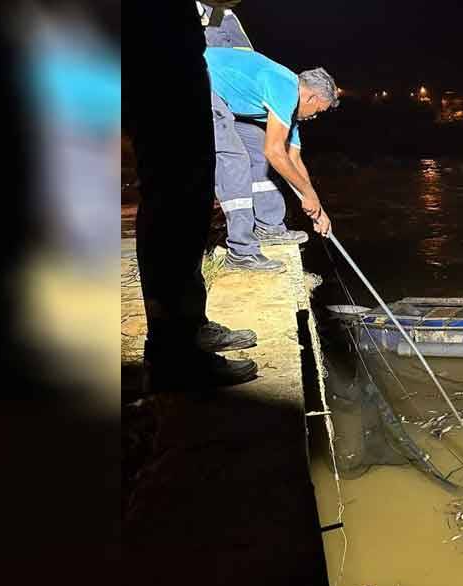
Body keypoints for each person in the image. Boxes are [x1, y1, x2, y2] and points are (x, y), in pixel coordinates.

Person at [124, 1, 258, 389]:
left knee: (188, 192)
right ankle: (173, 353)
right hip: (157, 50)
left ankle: (187, 328)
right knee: (175, 193)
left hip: (165, 46)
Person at [205, 47, 339, 272]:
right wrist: (308, 195)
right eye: (318, 111)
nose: (315, 117)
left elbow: (293, 159)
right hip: (192, 77)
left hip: (220, 97)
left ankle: (268, 228)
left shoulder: (291, 107)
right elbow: (275, 152)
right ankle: (241, 252)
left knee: (258, 146)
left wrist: (318, 209)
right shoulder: (285, 87)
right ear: (311, 96)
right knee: (235, 159)